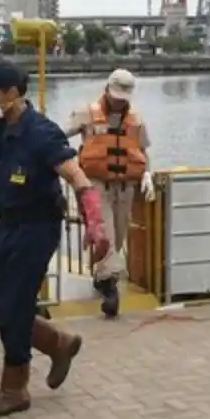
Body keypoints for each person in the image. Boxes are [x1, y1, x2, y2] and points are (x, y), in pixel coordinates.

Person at [0, 61, 110, 419]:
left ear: (12, 93)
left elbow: (77, 177)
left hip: (36, 229)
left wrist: (94, 223)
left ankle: (14, 388)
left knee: (14, 307)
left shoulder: (43, 134)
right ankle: (57, 343)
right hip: (7, 226)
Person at [64, 68, 156, 317]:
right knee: (105, 232)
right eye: (116, 95)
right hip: (95, 185)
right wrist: (67, 166)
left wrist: (147, 173)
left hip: (126, 186)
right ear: (107, 90)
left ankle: (101, 276)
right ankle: (110, 287)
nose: (118, 100)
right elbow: (60, 136)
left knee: (118, 236)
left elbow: (142, 150)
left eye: (123, 96)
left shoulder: (136, 119)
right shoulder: (87, 112)